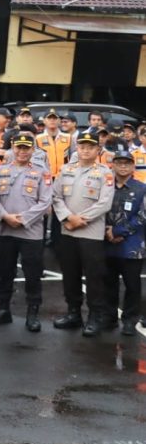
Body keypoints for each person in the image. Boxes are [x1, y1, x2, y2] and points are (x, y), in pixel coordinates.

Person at [52, 128, 116, 336]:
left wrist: (79, 220)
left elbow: (105, 203)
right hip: (67, 231)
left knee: (94, 277)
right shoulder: (66, 170)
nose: (86, 150)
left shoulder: (105, 172)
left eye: (90, 147)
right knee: (70, 276)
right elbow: (56, 197)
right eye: (82, 146)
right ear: (77, 148)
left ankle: (95, 317)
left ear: (98, 149)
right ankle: (73, 313)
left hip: (90, 233)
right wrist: (68, 218)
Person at [0, 133, 52, 331]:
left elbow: (45, 202)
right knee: (5, 272)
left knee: (32, 274)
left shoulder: (42, 172)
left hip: (31, 232)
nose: (22, 151)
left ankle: (32, 313)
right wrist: (5, 217)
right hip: (6, 230)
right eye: (19, 148)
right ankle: (3, 309)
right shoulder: (1, 170)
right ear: (13, 149)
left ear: (33, 150)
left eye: (26, 148)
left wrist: (22, 219)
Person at [104, 142, 144, 336]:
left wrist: (119, 231)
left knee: (132, 285)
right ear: (112, 165)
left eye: (127, 163)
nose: (123, 166)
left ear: (133, 166)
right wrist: (107, 231)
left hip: (132, 245)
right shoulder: (106, 185)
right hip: (107, 242)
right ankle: (110, 317)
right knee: (108, 283)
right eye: (119, 162)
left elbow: (143, 216)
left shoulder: (141, 189)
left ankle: (129, 320)